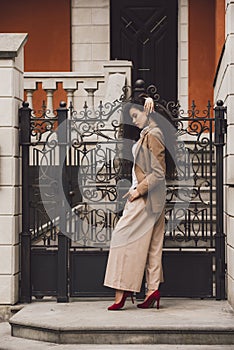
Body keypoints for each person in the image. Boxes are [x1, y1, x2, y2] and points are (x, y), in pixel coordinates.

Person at [103, 95, 176, 310]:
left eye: (136, 115)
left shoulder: (154, 134)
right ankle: (152, 290)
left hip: (145, 197)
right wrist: (148, 97)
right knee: (154, 245)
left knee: (120, 237)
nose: (133, 120)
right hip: (156, 200)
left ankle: (121, 291)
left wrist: (137, 191)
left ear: (147, 112)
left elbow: (158, 173)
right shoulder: (150, 133)